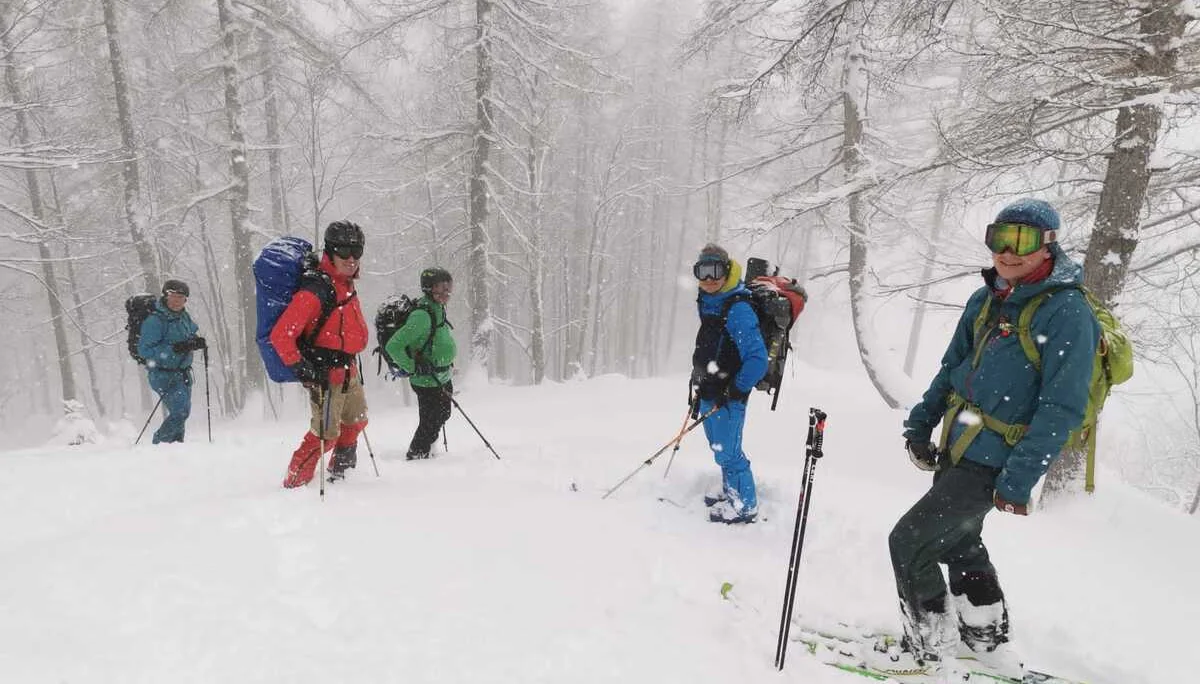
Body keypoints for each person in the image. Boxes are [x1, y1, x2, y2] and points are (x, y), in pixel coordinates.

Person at [883, 199, 1099, 677]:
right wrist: (921, 423)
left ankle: (928, 650)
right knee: (960, 542)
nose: (1007, 251)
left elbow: (1062, 407)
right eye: (999, 237)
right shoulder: (986, 299)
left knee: (909, 543)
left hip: (996, 458)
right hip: (959, 443)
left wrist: (1019, 479)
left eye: (1022, 240)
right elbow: (952, 368)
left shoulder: (1067, 311)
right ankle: (985, 636)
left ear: (1048, 244)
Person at [271, 221, 370, 487]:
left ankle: (341, 473)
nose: (351, 258)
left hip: (348, 369)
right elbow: (281, 335)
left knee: (356, 421)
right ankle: (294, 482)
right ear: (330, 251)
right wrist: (301, 367)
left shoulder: (346, 285)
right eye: (344, 251)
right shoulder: (316, 290)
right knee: (325, 434)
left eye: (357, 251)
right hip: (326, 375)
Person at [689, 244, 767, 524]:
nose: (709, 278)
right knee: (720, 448)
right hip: (710, 390)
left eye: (715, 270)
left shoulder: (738, 309)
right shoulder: (710, 302)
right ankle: (731, 491)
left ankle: (745, 507)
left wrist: (736, 389)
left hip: (728, 395)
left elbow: (758, 360)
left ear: (727, 271)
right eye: (703, 271)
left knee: (730, 453)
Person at [384, 267, 457, 460]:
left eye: (448, 287)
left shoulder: (438, 308)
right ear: (428, 288)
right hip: (426, 380)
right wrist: (413, 367)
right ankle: (417, 455)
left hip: (441, 376)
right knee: (430, 421)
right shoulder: (422, 316)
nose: (446, 292)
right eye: (440, 288)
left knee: (442, 414)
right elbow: (393, 346)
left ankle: (427, 449)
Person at [137, 279, 205, 444]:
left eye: (180, 297)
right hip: (163, 375)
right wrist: (174, 349)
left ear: (185, 300)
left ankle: (175, 445)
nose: (176, 301)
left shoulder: (183, 316)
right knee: (180, 411)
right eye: (173, 296)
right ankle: (160, 443)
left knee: (183, 411)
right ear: (166, 296)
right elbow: (144, 351)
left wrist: (195, 341)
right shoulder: (155, 320)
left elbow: (189, 333)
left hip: (182, 374)